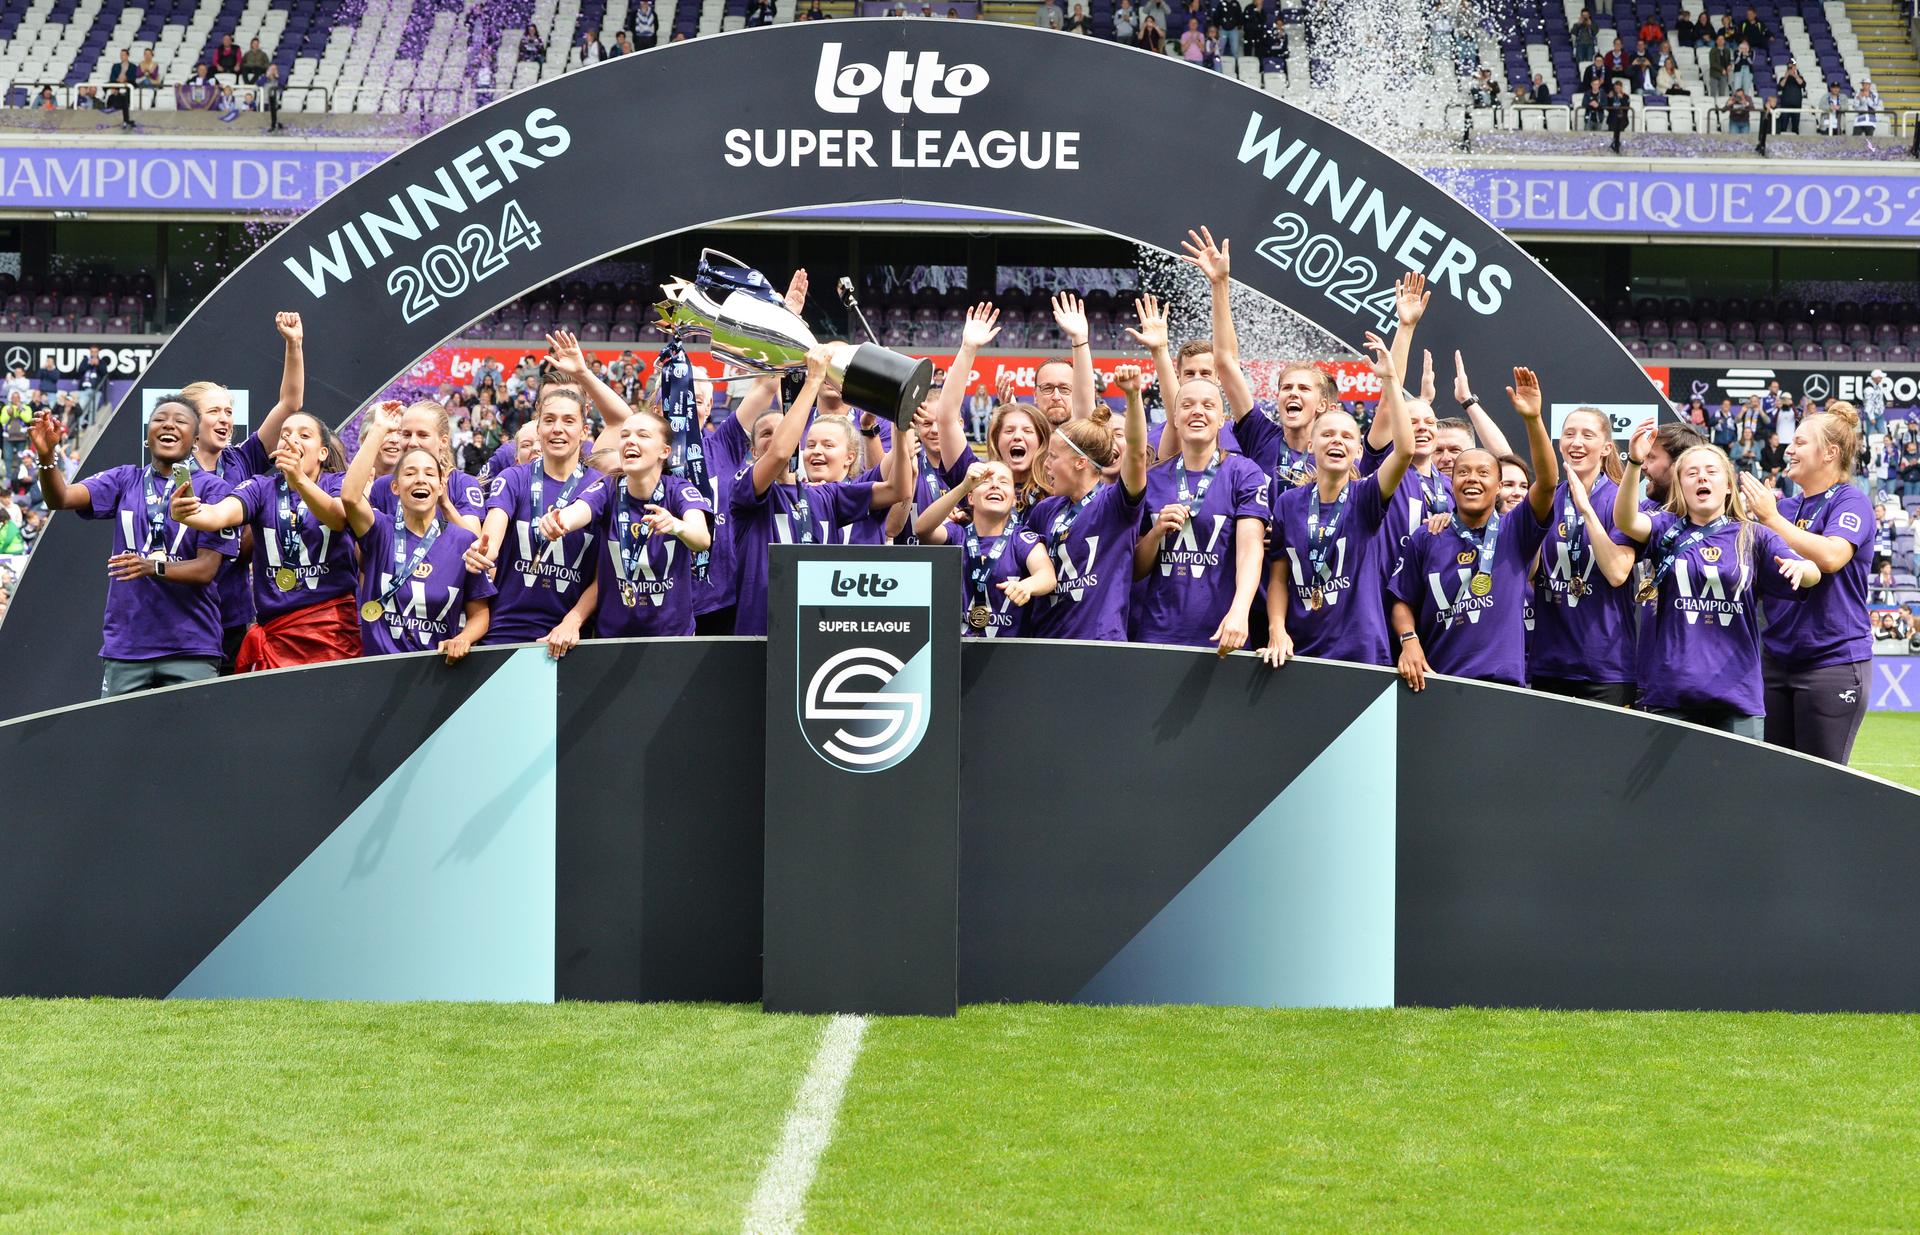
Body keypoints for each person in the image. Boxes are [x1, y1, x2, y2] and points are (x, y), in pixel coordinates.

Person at [1614, 432, 1817, 737]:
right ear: (1681, 485)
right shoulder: (1665, 527)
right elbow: (1627, 521)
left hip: (1737, 694)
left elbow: (1812, 571)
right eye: (1691, 473)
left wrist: (1803, 568)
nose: (1701, 478)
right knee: (1673, 787)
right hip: (1672, 692)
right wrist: (1633, 464)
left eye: (1711, 472)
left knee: (1738, 784)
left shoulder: (1754, 536)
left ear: (1727, 486)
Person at [29, 401, 238, 697]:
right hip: (127, 647)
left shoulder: (214, 490)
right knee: (113, 741)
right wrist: (47, 455)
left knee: (190, 743)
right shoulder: (124, 479)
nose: (168, 425)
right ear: (146, 436)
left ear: (195, 440)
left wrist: (154, 567)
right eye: (159, 419)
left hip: (190, 646)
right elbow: (60, 498)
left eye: (180, 421)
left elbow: (206, 570)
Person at [727, 347, 919, 637]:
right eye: (767, 433)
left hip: (816, 630)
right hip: (762, 630)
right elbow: (779, 453)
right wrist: (813, 382)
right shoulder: (743, 488)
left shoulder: (824, 495)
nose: (779, 437)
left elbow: (899, 489)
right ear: (753, 450)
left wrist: (900, 425)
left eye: (784, 429)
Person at [1389, 368, 1558, 691]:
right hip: (1437, 682)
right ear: (1450, 484)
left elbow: (1548, 483)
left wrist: (1534, 420)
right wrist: (1409, 640)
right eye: (1463, 472)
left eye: (1484, 473)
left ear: (1498, 487)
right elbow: (1401, 598)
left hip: (1503, 685)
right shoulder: (1427, 536)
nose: (1472, 479)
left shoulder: (1515, 530)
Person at [1261, 335, 1411, 671]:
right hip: (1299, 649)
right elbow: (1278, 576)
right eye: (1327, 435)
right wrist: (1277, 630)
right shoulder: (1288, 502)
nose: (1336, 441)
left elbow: (1404, 451)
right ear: (1311, 445)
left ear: (1358, 451)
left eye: (1346, 436)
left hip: (1361, 652)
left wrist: (1389, 380)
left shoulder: (1367, 496)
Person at [167, 411, 360, 669]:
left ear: (323, 453)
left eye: (304, 435)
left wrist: (299, 479)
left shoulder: (337, 483)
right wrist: (188, 513)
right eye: (285, 435)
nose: (292, 440)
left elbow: (338, 519)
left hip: (333, 634)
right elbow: (217, 515)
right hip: (277, 636)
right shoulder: (260, 487)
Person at [1743, 405, 1876, 762]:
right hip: (1776, 660)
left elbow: (1832, 556)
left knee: (1820, 788)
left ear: (1830, 453)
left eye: (1800, 442)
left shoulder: (1851, 501)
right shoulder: (1786, 508)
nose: (1789, 449)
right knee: (1775, 782)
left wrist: (1770, 518)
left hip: (1831, 662)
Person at [1131, 364, 1271, 652]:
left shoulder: (1244, 473)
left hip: (1224, 632)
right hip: (1158, 634)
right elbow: (1136, 569)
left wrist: (1240, 610)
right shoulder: (1153, 478)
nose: (1197, 411)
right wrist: (1156, 533)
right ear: (1175, 418)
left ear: (1222, 419)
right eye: (1187, 405)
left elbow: (1250, 550)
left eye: (1208, 405)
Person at [538, 408, 712, 638]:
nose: (630, 441)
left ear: (664, 451)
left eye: (642, 435)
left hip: (672, 638)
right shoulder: (608, 487)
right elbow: (576, 512)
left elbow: (702, 539)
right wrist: (558, 522)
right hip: (613, 636)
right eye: (625, 435)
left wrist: (675, 526)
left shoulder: (679, 490)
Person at [342, 418, 494, 662]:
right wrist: (378, 429)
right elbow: (349, 497)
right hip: (379, 669)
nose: (420, 479)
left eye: (429, 474)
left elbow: (480, 614)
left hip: (437, 670)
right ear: (395, 487)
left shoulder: (463, 541)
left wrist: (464, 637)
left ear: (441, 484)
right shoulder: (380, 529)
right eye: (410, 473)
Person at [467, 387, 603, 656]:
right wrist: (482, 553)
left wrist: (572, 621)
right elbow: (493, 532)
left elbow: (604, 577)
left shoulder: (601, 486)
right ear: (539, 429)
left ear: (584, 431)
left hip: (571, 639)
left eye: (568, 420)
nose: (557, 428)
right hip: (505, 632)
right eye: (549, 420)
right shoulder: (513, 478)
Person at [1026, 364, 1150, 642]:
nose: (1045, 465)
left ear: (1081, 462)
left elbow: (1137, 455)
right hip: (1045, 640)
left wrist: (1132, 396)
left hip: (1099, 642)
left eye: (1053, 458)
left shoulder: (1116, 505)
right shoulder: (1045, 510)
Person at [1523, 407, 1638, 704]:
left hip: (1606, 666)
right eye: (1569, 434)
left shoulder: (1618, 501)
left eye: (1588, 435)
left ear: (1606, 448)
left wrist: (1586, 509)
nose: (1576, 442)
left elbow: (1617, 573)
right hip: (1550, 662)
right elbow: (1529, 571)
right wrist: (1536, 520)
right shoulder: (1547, 498)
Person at [913, 460, 1057, 637]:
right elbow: (922, 529)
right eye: (985, 481)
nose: (995, 485)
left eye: (1004, 482)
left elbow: (1047, 576)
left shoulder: (1021, 540)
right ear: (971, 497)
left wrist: (1028, 586)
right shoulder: (958, 535)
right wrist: (963, 487)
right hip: (957, 653)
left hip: (1009, 654)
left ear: (1013, 500)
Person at [1606, 78, 1632, 151]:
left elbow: (1626, 108)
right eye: (1615, 88)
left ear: (1621, 88)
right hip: (1612, 119)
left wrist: (1622, 99)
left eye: (1618, 88)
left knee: (1620, 135)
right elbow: (1607, 107)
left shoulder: (1626, 96)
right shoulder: (1611, 96)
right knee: (1611, 134)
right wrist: (1609, 98)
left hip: (1622, 119)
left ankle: (1619, 147)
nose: (1617, 89)